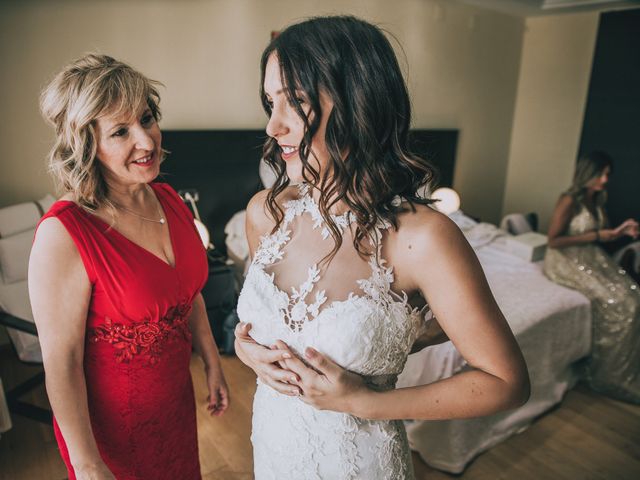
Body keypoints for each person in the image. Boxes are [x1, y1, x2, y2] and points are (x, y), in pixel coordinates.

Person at [234, 16, 530, 479]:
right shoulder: (265, 213)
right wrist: (246, 347)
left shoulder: (423, 238)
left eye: (295, 102)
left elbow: (506, 383)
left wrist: (366, 401)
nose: (273, 126)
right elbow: (278, 326)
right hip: (273, 447)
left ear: (358, 102)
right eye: (270, 102)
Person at [29, 54, 229, 480]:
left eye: (147, 117)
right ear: (87, 144)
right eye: (121, 131)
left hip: (174, 408)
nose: (147, 139)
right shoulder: (66, 233)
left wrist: (212, 360)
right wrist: (87, 465)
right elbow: (61, 362)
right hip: (109, 435)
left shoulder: (170, 200)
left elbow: (186, 293)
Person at [544, 151, 640, 403]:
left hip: (589, 255)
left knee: (633, 293)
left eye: (608, 173)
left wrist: (618, 233)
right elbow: (553, 241)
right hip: (565, 260)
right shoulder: (569, 200)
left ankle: (624, 364)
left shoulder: (596, 199)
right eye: (601, 173)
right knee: (619, 302)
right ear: (588, 173)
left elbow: (597, 233)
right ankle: (608, 376)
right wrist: (598, 236)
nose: (606, 179)